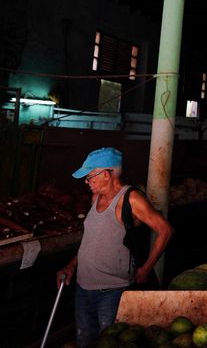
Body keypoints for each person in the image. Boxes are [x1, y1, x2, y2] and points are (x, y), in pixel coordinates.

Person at [56, 147, 174, 348]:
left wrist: (145, 269)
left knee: (109, 342)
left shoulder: (131, 199)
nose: (86, 182)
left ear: (105, 174)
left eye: (89, 177)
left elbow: (166, 230)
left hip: (112, 292)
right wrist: (71, 266)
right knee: (85, 341)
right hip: (83, 288)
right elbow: (90, 241)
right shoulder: (95, 199)